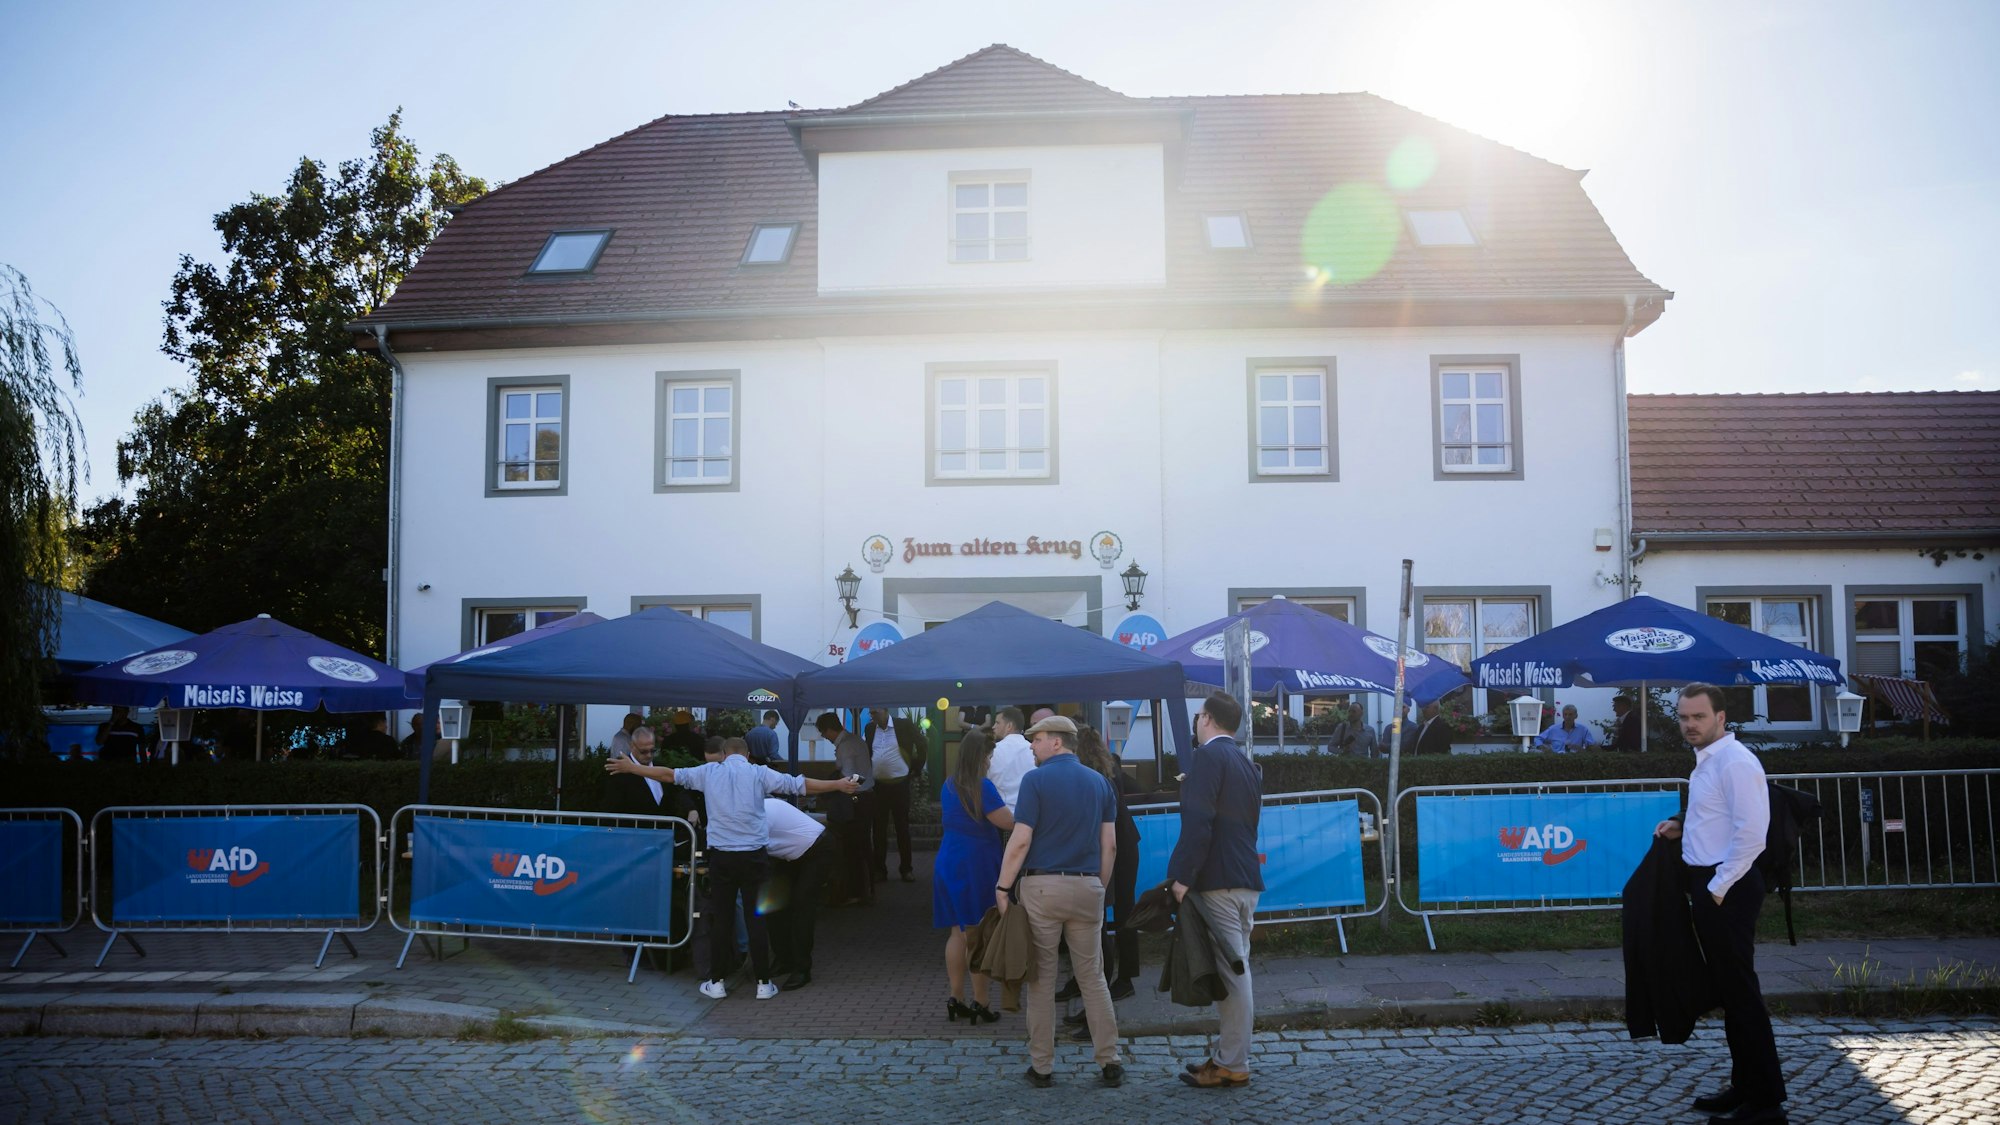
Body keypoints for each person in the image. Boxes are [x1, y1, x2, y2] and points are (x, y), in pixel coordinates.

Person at [607, 736, 858, 1001]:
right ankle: (763, 984)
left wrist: (633, 768)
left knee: (722, 920)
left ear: (724, 755)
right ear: (748, 755)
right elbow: (801, 785)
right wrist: (839, 785)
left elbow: (669, 775)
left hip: (722, 857)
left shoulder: (708, 772)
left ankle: (716, 983)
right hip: (754, 857)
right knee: (756, 919)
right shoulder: (760, 773)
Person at [1652, 683, 1786, 1125]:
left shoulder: (1735, 762)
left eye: (1699, 717)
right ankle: (1745, 1086)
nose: (1690, 725)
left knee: (1742, 994)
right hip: (1714, 885)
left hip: (1728, 887)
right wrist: (1680, 823)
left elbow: (1751, 833)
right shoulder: (1708, 762)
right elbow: (1717, 817)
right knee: (1731, 993)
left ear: (1721, 717)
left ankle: (1764, 1101)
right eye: (1684, 718)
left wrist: (1718, 886)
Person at [994, 715, 1122, 1090]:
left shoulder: (1035, 781)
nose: (1031, 745)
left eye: (1037, 739)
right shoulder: (1100, 782)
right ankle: (1109, 1059)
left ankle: (1043, 1067)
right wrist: (1098, 885)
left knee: (1042, 980)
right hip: (1087, 887)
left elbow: (1019, 842)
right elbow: (1109, 845)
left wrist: (1003, 888)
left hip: (1042, 888)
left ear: (1057, 742)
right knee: (1093, 978)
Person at [1170, 691, 1265, 1089]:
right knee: (1234, 969)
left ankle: (1233, 1063)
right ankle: (1228, 1056)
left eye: (1197, 717)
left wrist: (1182, 877)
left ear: (1206, 718)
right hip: (1241, 876)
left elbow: (1199, 820)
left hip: (1219, 879)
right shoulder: (1244, 761)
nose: (1195, 723)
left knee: (1233, 972)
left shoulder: (1208, 757)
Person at [1058, 724, 1140, 1017]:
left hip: (1118, 847)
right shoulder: (1102, 768)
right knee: (1103, 915)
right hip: (1116, 844)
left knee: (1113, 913)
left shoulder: (1099, 775)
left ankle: (1120, 981)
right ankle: (1089, 982)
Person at [934, 727, 1012, 1024]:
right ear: (980, 756)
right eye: (989, 755)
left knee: (957, 932)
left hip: (949, 860)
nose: (991, 761)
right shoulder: (983, 787)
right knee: (979, 934)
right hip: (975, 864)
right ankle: (982, 1001)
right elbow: (1006, 822)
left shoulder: (949, 784)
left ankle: (957, 997)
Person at [763, 796, 836, 992]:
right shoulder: (748, 811)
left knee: (802, 905)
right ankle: (784, 958)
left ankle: (802, 968)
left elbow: (753, 850)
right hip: (790, 855)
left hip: (817, 849)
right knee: (772, 905)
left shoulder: (762, 812)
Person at [814, 711, 876, 906]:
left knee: (852, 848)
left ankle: (856, 892)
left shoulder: (845, 746)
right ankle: (868, 888)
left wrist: (827, 788)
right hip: (867, 797)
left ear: (830, 730)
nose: (824, 738)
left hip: (856, 800)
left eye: (824, 734)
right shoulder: (854, 740)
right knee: (863, 846)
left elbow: (848, 778)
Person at [863, 707, 915, 884]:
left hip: (900, 785)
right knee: (878, 829)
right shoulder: (870, 729)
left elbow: (921, 744)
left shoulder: (903, 725)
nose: (872, 716)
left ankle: (906, 869)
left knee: (902, 828)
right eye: (870, 713)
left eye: (875, 712)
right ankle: (879, 870)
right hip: (879, 786)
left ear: (885, 711)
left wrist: (913, 770)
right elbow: (869, 752)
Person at [986, 707, 1034, 813]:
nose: (993, 727)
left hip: (999, 813)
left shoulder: (993, 751)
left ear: (1009, 726)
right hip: (1029, 813)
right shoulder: (1033, 750)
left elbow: (984, 782)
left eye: (997, 723)